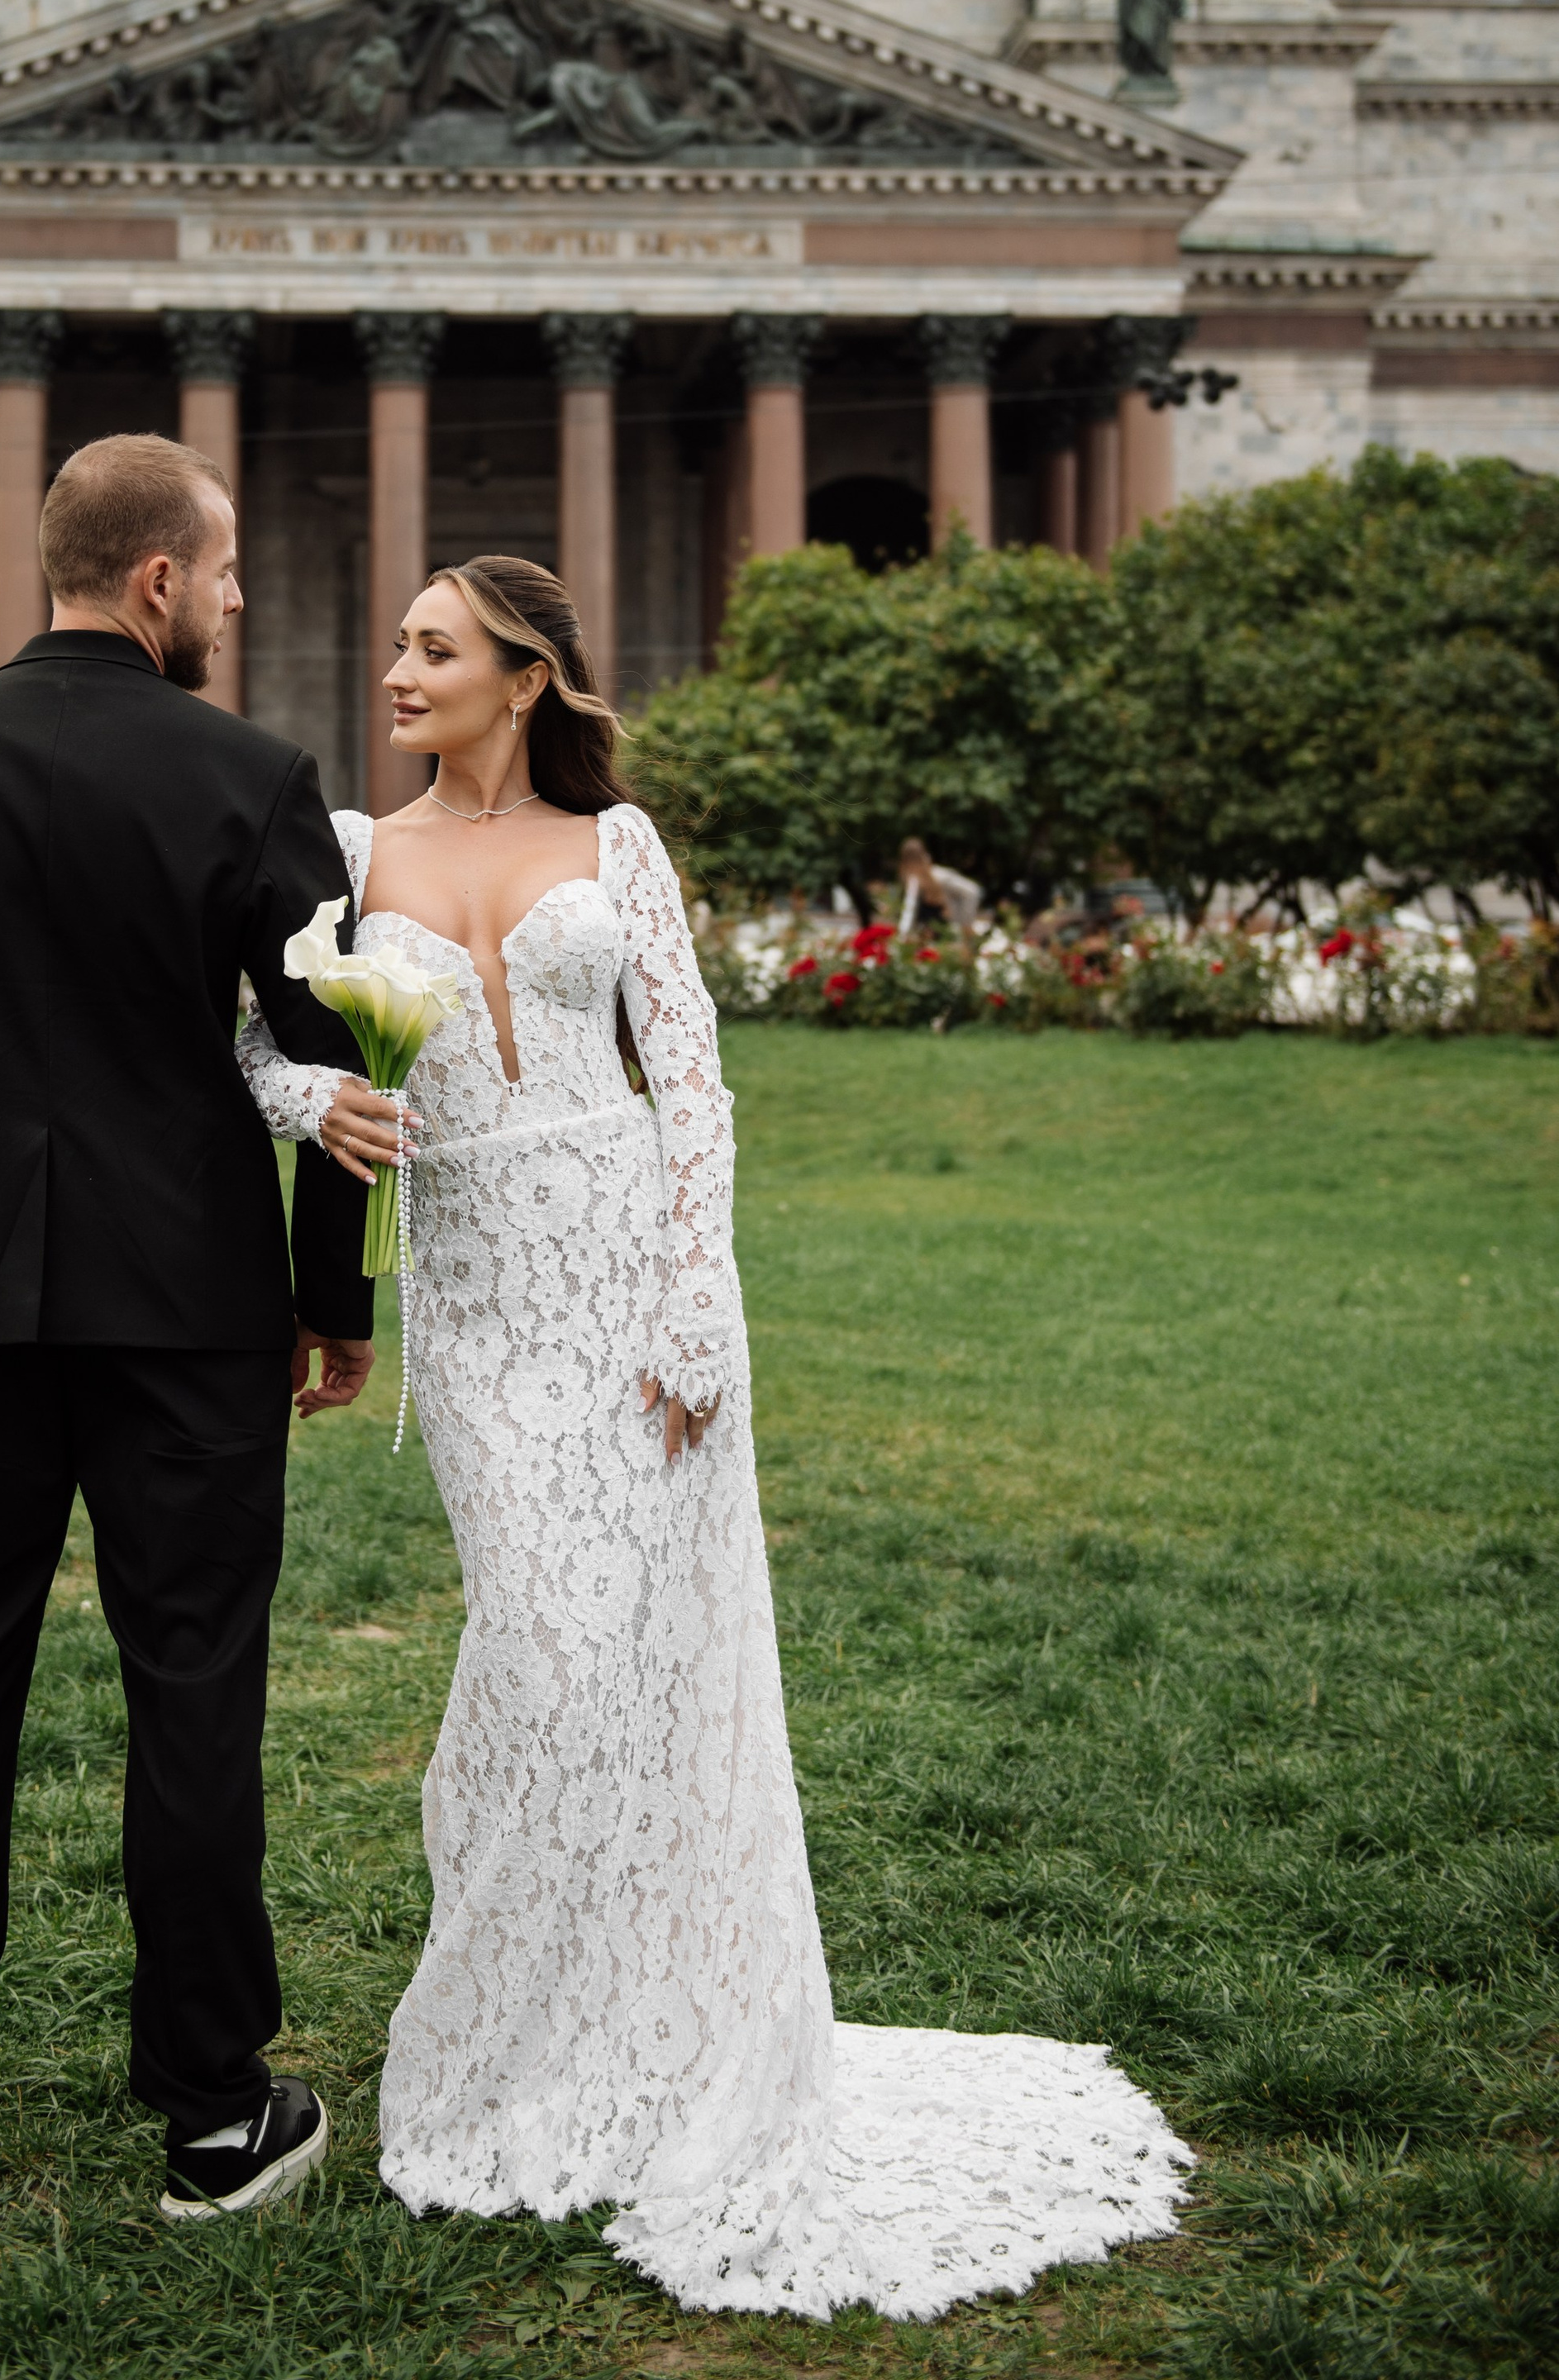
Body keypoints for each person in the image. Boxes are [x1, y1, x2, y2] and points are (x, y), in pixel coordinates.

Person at [236, 557, 1190, 2318]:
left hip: (635, 1281)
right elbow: (244, 1040)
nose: (394, 670)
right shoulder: (353, 860)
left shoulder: (623, 847)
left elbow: (690, 1077)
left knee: (652, 1660)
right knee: (542, 1645)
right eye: (393, 645)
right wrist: (321, 1095)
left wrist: (695, 1302)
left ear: (521, 677)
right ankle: (502, 2037)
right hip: (475, 1298)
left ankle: (663, 2026)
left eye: (430, 648)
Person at [0, 434, 401, 2230]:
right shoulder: (254, 774)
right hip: (193, 1314)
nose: (232, 600)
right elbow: (327, 1057)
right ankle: (216, 2117)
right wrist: (328, 1298)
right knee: (193, 1696)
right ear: (156, 580)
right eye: (220, 576)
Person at [896, 836, 982, 939]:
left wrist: (966, 923)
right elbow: (910, 912)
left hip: (949, 931)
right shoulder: (912, 882)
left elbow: (972, 891)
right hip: (928, 934)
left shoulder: (940, 877)